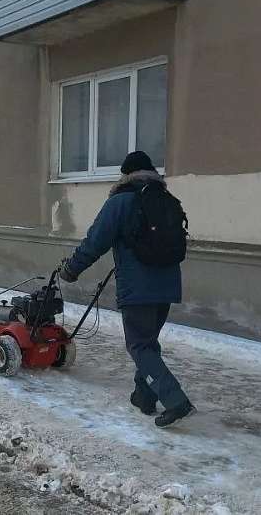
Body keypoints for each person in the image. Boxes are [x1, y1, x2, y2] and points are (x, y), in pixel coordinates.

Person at [59, 151, 195, 428]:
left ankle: (175, 400)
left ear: (126, 175)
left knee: (139, 344)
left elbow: (94, 242)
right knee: (148, 342)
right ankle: (144, 396)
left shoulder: (120, 202)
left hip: (138, 288)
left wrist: (71, 269)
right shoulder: (166, 200)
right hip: (167, 287)